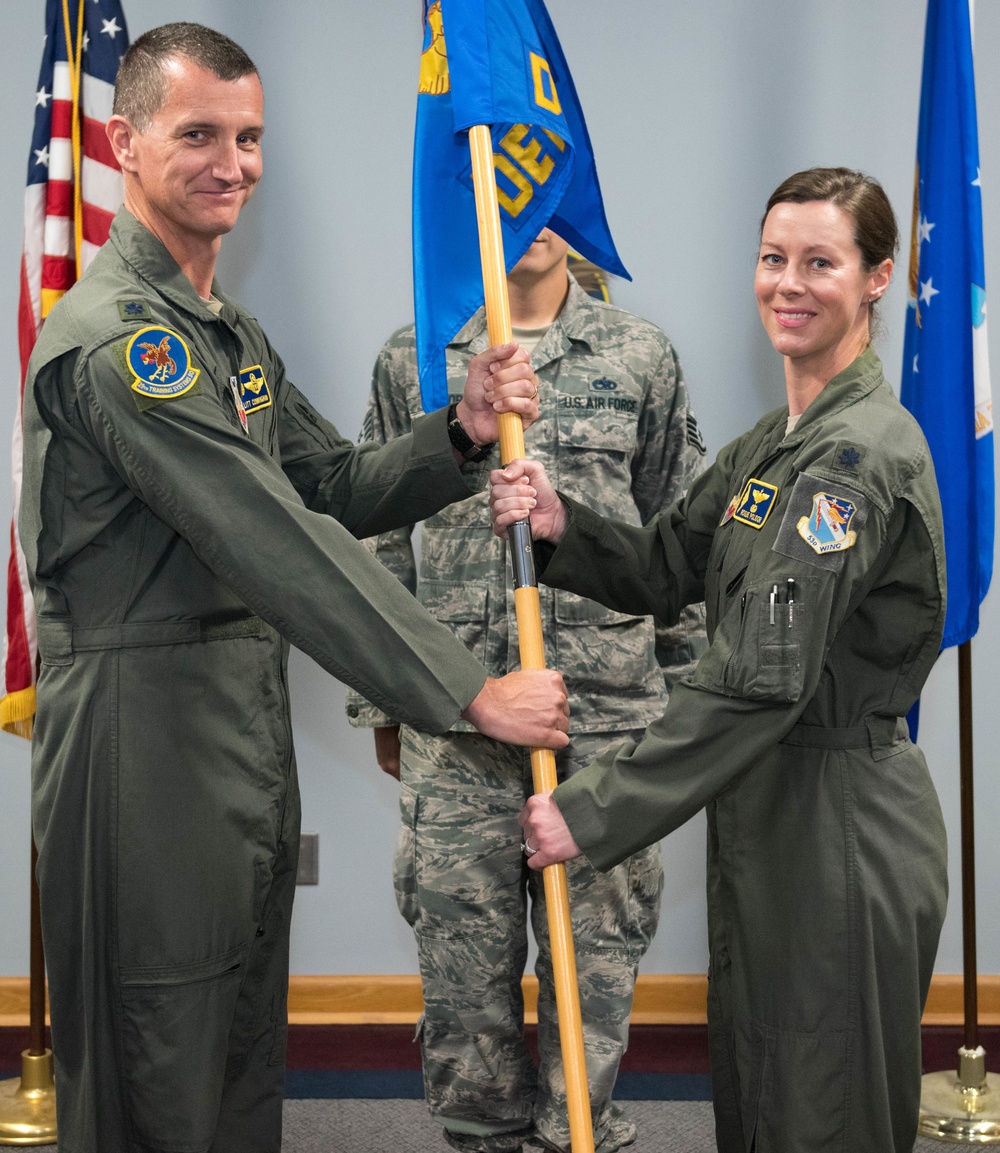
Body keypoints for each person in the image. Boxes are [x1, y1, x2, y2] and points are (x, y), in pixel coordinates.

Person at [18, 23, 571, 1153]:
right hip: (144, 741)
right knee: (156, 1056)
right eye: (200, 135)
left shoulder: (223, 332)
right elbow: (274, 537)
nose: (235, 162)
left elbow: (325, 482)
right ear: (123, 143)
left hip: (234, 733)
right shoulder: (126, 345)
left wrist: (458, 432)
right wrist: (467, 691)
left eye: (251, 136)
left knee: (233, 1054)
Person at [490, 169, 949, 1153]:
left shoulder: (855, 458)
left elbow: (757, 676)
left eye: (819, 262)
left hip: (837, 825)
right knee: (760, 1094)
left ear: (875, 278)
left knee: (821, 1112)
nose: (788, 282)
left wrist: (592, 806)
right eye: (772, 258)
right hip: (765, 811)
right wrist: (561, 523)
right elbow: (665, 565)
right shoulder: (769, 447)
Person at [346, 227, 707, 1153]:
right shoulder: (417, 356)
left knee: (596, 972)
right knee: (464, 983)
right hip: (458, 720)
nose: (530, 211)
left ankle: (581, 1136)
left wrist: (686, 704)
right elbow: (376, 537)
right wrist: (386, 701)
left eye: (546, 184)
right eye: (507, 181)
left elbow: (678, 540)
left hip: (606, 722)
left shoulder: (639, 355)